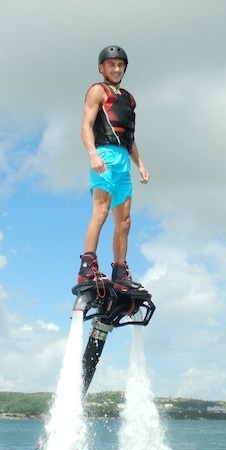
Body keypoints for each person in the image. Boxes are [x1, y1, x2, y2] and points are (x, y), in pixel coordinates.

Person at [78, 45, 150, 290]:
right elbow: (86, 126)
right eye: (111, 64)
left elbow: (129, 137)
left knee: (125, 221)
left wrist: (140, 164)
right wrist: (93, 155)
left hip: (122, 161)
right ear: (102, 68)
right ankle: (87, 266)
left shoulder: (129, 99)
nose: (116, 69)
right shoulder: (98, 91)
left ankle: (120, 271)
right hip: (104, 156)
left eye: (120, 65)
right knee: (102, 211)